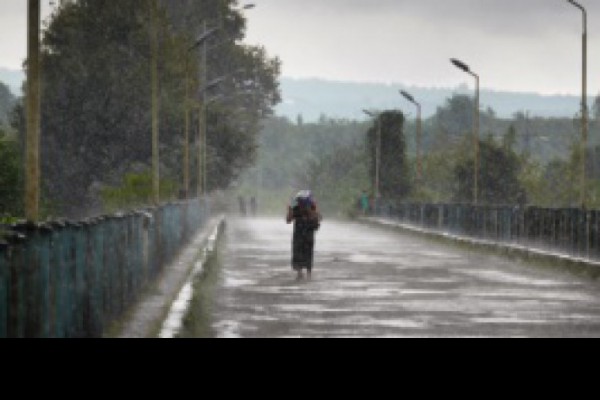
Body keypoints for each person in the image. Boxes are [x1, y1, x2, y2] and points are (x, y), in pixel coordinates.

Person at [286, 190, 322, 281]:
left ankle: (309, 273)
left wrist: (310, 211)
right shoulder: (296, 209)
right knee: (297, 254)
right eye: (299, 202)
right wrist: (289, 210)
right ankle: (299, 273)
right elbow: (288, 220)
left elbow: (317, 221)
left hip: (308, 236)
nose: (300, 204)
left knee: (308, 254)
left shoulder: (313, 209)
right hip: (298, 235)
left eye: (302, 202)